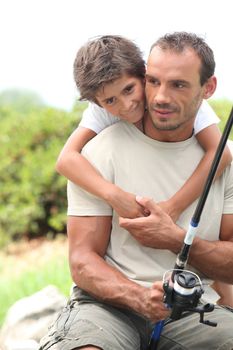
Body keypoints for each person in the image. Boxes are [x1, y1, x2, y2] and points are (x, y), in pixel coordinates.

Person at [39, 33, 233, 350]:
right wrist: (140, 297)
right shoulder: (97, 146)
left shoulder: (219, 149)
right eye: (154, 82)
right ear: (146, 74)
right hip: (106, 309)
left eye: (179, 85)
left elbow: (222, 154)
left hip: (193, 313)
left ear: (208, 88)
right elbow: (82, 259)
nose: (158, 97)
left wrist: (173, 233)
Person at [56, 36, 231, 222]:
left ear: (143, 75)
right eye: (110, 101)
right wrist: (115, 196)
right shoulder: (100, 110)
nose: (126, 105)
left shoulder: (184, 104)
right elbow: (66, 159)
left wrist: (173, 207)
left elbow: (221, 154)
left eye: (129, 89)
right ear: (98, 102)